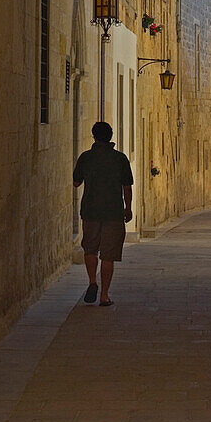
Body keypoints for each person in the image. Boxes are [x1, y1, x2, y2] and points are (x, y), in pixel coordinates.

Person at [73, 121, 133, 306]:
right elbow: (127, 187)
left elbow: (76, 182)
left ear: (94, 136)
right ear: (111, 136)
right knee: (108, 255)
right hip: (113, 212)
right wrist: (128, 207)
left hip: (90, 211)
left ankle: (92, 282)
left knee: (90, 249)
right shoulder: (120, 158)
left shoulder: (86, 157)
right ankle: (104, 295)